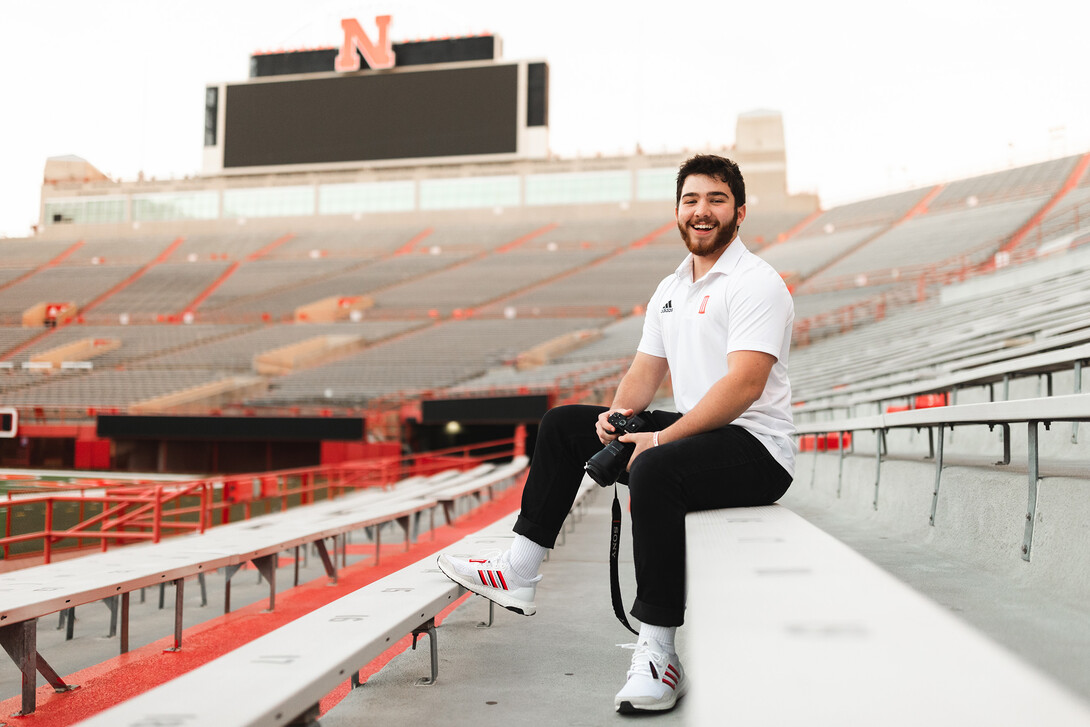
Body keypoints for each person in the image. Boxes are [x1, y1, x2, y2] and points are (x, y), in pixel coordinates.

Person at [438, 154, 796, 714]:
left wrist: (659, 440)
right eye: (691, 200)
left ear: (740, 212)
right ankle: (519, 569)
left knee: (653, 467)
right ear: (678, 212)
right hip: (697, 431)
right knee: (563, 426)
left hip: (754, 447)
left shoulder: (757, 282)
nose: (702, 211)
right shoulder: (672, 287)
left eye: (716, 200)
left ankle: (658, 654)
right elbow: (644, 373)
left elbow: (746, 386)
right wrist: (617, 418)